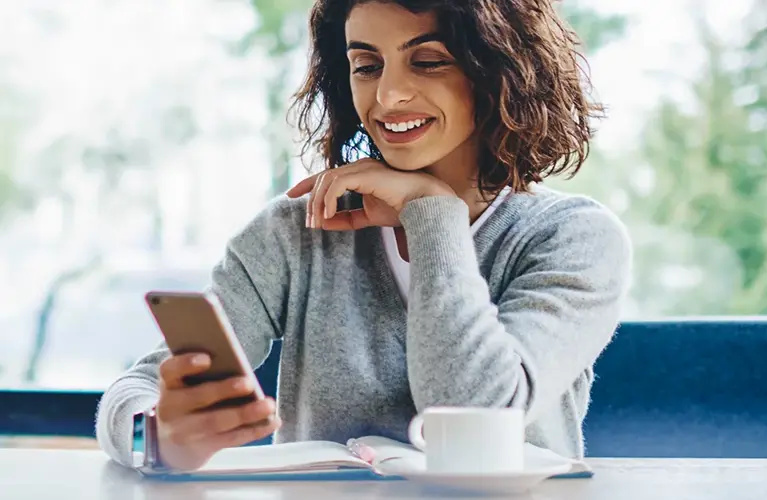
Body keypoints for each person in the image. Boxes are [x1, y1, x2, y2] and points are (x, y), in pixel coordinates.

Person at [96, 0, 632, 471]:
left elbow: (476, 412)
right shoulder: (297, 231)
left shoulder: (574, 239)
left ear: (498, 70)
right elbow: (137, 390)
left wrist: (430, 212)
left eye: (428, 61)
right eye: (366, 66)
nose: (389, 95)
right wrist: (157, 438)